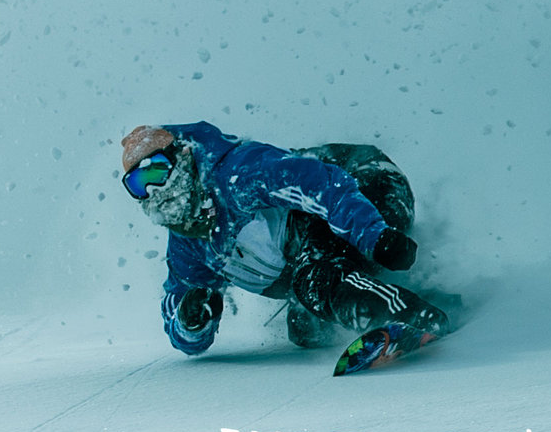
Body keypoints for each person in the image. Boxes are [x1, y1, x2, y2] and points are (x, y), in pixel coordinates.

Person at [120, 121, 451, 355]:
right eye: (138, 184)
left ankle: (411, 317)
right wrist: (191, 321)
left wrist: (375, 236)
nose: (153, 190)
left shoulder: (237, 175)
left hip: (368, 185)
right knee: (306, 327)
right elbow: (178, 322)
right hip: (329, 232)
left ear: (181, 157)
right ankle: (422, 296)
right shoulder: (190, 246)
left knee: (315, 283)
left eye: (157, 171)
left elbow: (320, 185)